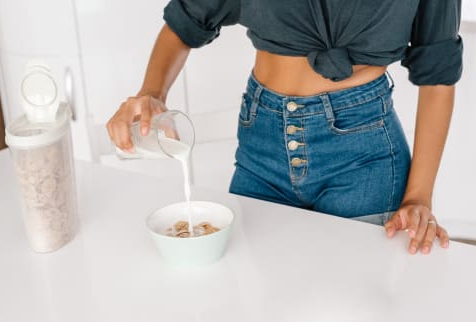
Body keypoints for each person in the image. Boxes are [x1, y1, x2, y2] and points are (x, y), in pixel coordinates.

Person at [106, 0, 463, 255]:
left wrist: (419, 197)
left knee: (353, 300)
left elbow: (438, 76)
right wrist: (151, 93)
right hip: (261, 146)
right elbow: (186, 20)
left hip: (362, 152)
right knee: (261, 292)